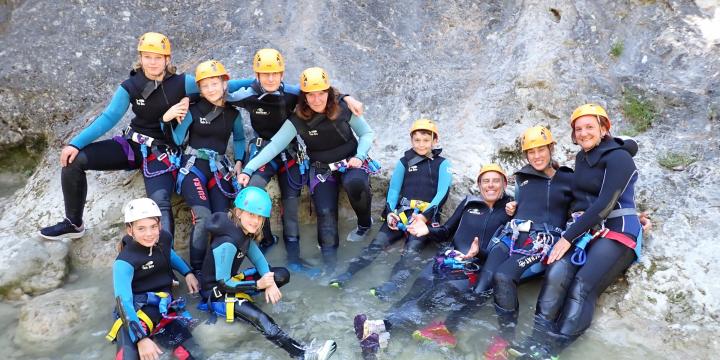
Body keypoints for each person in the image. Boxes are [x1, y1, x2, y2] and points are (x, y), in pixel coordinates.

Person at [39, 32, 250, 240]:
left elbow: (217, 86)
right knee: (74, 161)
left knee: (160, 202)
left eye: (158, 57)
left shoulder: (182, 83)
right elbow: (109, 117)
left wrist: (265, 84)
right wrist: (76, 144)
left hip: (162, 152)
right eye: (147, 57)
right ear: (140, 58)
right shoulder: (131, 86)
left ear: (167, 59)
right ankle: (73, 224)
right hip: (132, 145)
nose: (152, 62)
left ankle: (164, 261)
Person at [510, 104, 644, 359]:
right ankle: (535, 341)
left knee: (581, 287)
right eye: (578, 128)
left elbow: (605, 203)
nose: (583, 133)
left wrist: (567, 237)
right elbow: (579, 199)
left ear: (604, 128)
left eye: (590, 127)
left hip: (618, 231)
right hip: (587, 231)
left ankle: (551, 350)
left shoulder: (619, 157)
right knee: (556, 273)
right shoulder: (582, 158)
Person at [227, 49, 364, 277]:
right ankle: (266, 240)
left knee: (291, 205)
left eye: (275, 73)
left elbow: (322, 93)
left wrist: (347, 97)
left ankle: (293, 257)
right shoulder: (248, 95)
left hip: (290, 152)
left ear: (282, 74)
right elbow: (217, 90)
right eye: (264, 74)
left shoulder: (293, 93)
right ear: (257, 74)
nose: (270, 79)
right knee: (253, 191)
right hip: (264, 150)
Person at [353, 164, 511, 358]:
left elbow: (507, 250)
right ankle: (379, 339)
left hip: (473, 268)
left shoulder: (511, 210)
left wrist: (478, 253)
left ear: (505, 183)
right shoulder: (469, 203)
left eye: (496, 181)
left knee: (433, 298)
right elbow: (445, 231)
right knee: (414, 292)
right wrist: (428, 231)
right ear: (479, 185)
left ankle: (378, 327)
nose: (491, 185)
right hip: (447, 260)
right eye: (486, 181)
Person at [200, 186, 336, 359]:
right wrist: (258, 284)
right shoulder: (227, 241)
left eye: (259, 217)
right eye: (251, 214)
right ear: (239, 212)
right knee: (261, 318)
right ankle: (301, 354)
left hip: (232, 281)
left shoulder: (244, 233)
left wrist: (270, 282)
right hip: (217, 292)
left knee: (281, 274)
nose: (256, 221)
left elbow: (259, 260)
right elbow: (224, 283)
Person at [329, 118, 452, 299]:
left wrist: (424, 217)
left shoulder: (443, 164)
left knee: (411, 252)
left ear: (434, 141)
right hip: (401, 213)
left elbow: (442, 193)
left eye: (426, 140)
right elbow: (394, 189)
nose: (421, 144)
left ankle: (392, 285)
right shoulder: (404, 162)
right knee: (376, 244)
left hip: (424, 218)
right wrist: (391, 213)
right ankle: (347, 274)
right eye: (417, 140)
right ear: (411, 141)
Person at [479, 126, 574, 358]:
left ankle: (504, 339)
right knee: (485, 281)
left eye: (541, 149)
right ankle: (448, 324)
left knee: (503, 276)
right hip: (512, 235)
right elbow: (523, 203)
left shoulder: (569, 178)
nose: (536, 156)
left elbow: (585, 206)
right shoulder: (522, 177)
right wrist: (513, 207)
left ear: (551, 148)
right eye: (531, 152)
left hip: (540, 240)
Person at [168, 60, 244, 276]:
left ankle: (218, 270)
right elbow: (176, 138)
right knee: (203, 216)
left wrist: (239, 161)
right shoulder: (193, 110)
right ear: (199, 89)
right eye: (205, 85)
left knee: (220, 218)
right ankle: (198, 270)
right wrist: (169, 121)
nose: (211, 89)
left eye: (215, 83)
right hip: (193, 167)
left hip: (219, 168)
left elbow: (239, 139)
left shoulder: (233, 114)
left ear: (224, 84)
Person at [108, 198, 201, 360]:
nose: (149, 234)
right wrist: (141, 339)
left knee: (192, 356)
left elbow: (169, 255)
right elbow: (123, 303)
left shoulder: (164, 238)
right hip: (136, 312)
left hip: (162, 307)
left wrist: (188, 273)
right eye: (141, 229)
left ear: (160, 225)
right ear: (130, 230)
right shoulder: (124, 262)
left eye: (153, 227)